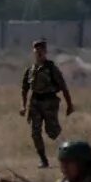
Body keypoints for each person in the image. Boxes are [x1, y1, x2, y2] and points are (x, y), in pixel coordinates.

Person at [19, 38, 74, 168]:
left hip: (49, 102)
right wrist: (23, 106)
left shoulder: (51, 68)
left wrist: (69, 105)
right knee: (35, 132)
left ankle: (70, 154)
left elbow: (63, 87)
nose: (39, 52)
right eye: (36, 50)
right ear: (33, 51)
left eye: (41, 50)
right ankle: (43, 159)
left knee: (52, 131)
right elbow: (24, 89)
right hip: (35, 103)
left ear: (45, 51)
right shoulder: (30, 70)